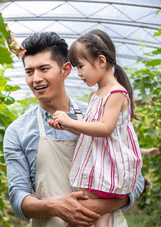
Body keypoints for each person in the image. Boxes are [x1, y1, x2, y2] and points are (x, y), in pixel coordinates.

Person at [3, 31, 145, 226]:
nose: (36, 79)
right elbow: (18, 197)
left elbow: (135, 180)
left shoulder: (99, 113)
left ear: (66, 69)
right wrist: (55, 207)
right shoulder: (17, 131)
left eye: (44, 68)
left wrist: (98, 207)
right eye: (29, 71)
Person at [49, 29, 142, 227]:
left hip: (108, 168)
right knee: (99, 218)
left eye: (81, 66)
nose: (79, 73)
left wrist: (71, 120)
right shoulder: (95, 95)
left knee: (87, 212)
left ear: (101, 61)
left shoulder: (116, 93)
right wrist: (66, 125)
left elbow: (105, 128)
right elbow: (89, 131)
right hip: (98, 167)